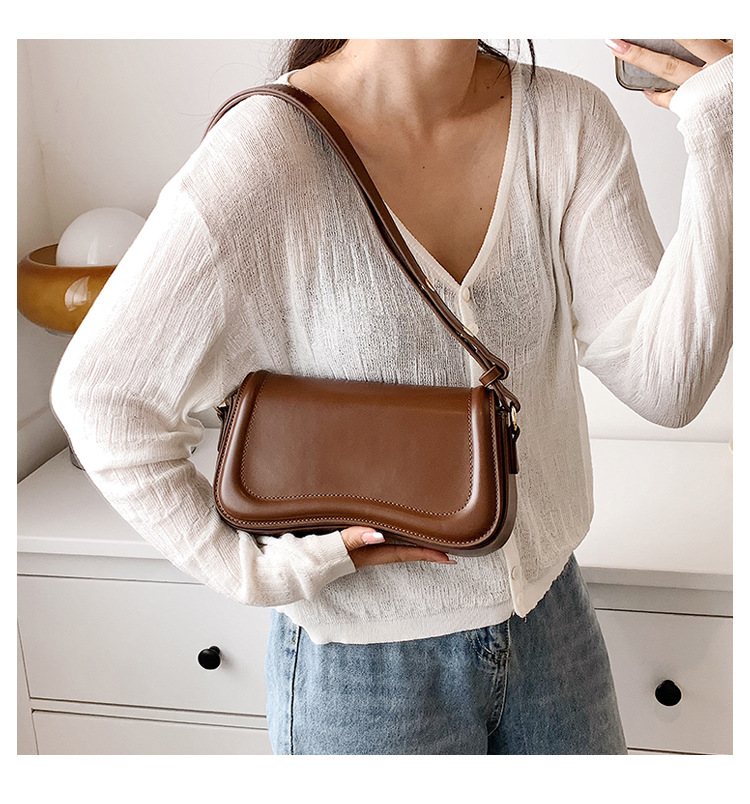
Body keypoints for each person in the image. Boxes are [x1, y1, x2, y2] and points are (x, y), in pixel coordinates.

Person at [49, 39, 733, 755]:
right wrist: (261, 574)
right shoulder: (269, 151)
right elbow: (104, 399)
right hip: (364, 671)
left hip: (553, 626)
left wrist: (720, 125)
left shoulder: (566, 121)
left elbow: (666, 385)